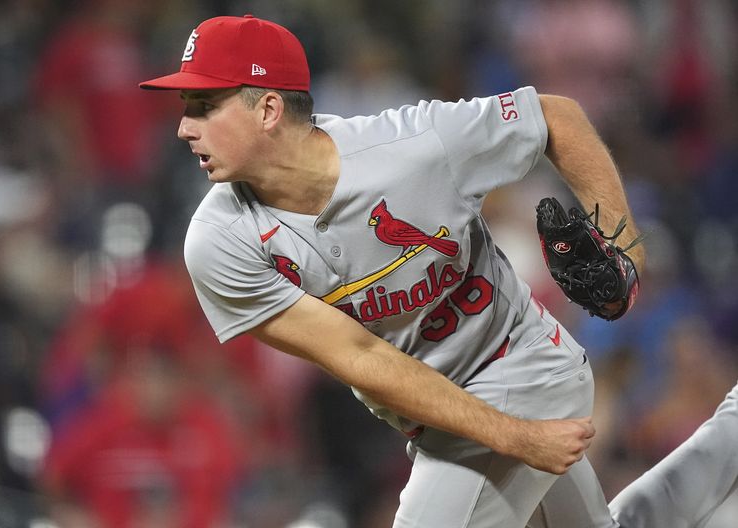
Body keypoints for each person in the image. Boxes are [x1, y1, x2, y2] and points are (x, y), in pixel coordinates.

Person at [140, 14, 738, 527]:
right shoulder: (218, 241)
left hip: (520, 365)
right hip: (456, 417)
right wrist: (512, 438)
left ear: (268, 107)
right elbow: (361, 358)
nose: (183, 126)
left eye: (204, 106)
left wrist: (628, 251)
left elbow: (554, 117)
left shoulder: (412, 146)